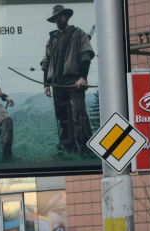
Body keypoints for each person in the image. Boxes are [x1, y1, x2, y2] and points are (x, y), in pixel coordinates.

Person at [41, 4, 95, 156]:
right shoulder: (52, 38)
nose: (58, 19)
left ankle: (86, 149)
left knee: (79, 113)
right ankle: (69, 149)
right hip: (57, 83)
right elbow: (46, 62)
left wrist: (83, 77)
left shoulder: (79, 34)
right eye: (55, 17)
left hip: (74, 81)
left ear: (67, 17)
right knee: (62, 117)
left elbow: (86, 55)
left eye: (60, 16)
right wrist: (46, 84)